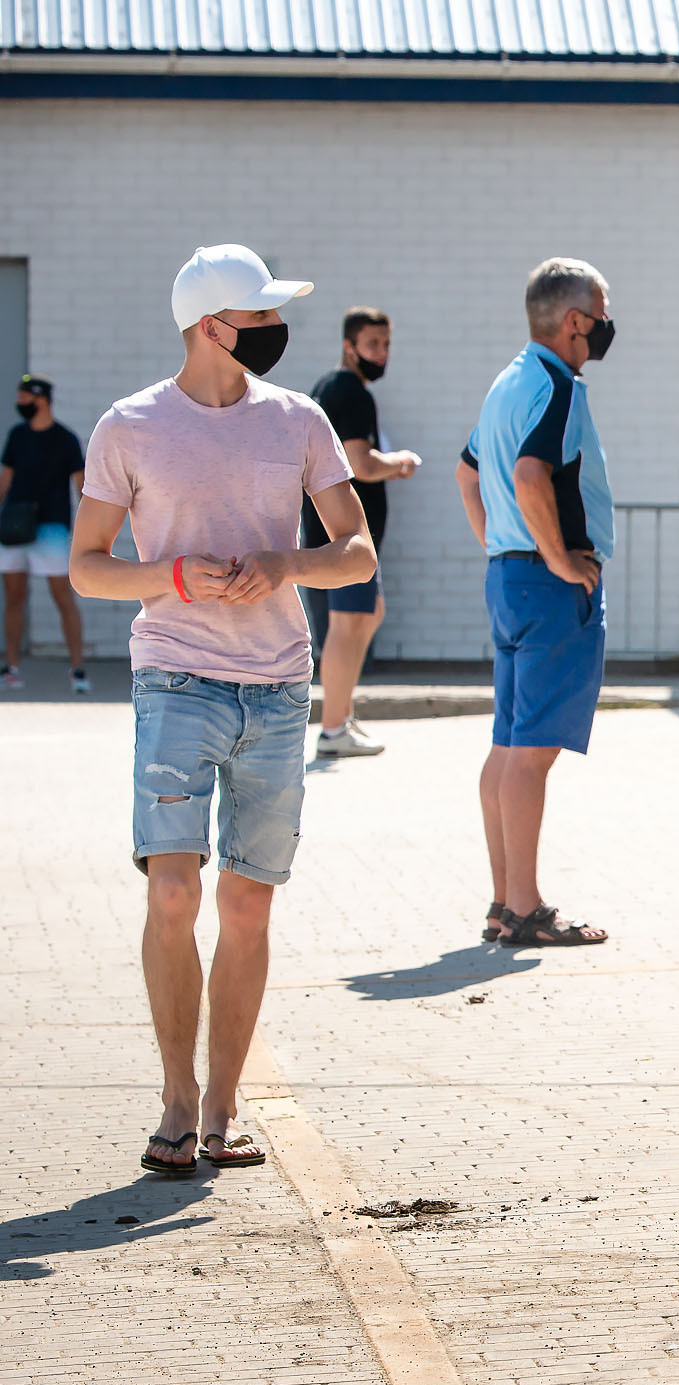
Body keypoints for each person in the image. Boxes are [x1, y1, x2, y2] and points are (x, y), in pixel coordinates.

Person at [67, 243, 373, 1175]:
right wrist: (170, 576)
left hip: (279, 688)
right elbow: (87, 564)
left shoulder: (300, 419)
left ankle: (225, 1106)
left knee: (245, 907)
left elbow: (355, 549)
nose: (279, 332)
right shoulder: (129, 427)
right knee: (172, 890)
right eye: (262, 317)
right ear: (211, 327)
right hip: (175, 679)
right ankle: (176, 1098)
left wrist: (285, 563)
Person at [457, 258, 617, 950]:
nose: (608, 326)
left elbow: (468, 472)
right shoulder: (558, 385)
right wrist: (554, 557)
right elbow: (529, 474)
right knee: (532, 755)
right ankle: (524, 909)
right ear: (575, 321)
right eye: (602, 313)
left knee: (508, 748)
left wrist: (502, 544)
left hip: (507, 580)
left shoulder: (508, 380)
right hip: (548, 588)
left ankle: (503, 902)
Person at [302, 307, 424, 759]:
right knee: (347, 624)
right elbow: (360, 463)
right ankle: (334, 729)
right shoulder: (349, 392)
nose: (382, 353)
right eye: (373, 344)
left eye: (387, 344)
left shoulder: (333, 388)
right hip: (341, 537)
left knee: (368, 614)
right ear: (349, 346)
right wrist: (400, 462)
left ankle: (341, 713)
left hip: (339, 537)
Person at [2, 374, 88, 692]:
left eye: (25, 398)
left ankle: (78, 668)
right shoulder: (17, 436)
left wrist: (90, 532)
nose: (21, 404)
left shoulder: (65, 439)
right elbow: (5, 481)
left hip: (52, 528)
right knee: (13, 596)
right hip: (14, 529)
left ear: (41, 399)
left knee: (62, 596)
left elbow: (82, 488)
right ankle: (11, 667)